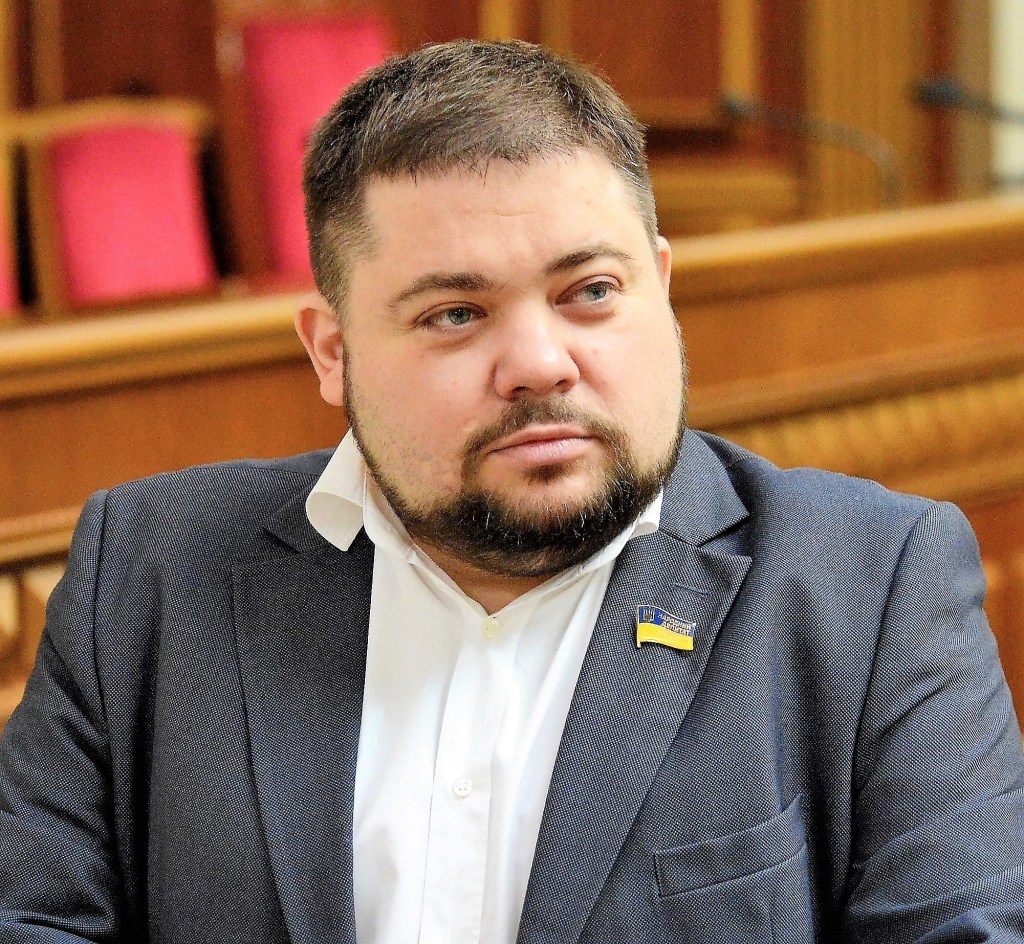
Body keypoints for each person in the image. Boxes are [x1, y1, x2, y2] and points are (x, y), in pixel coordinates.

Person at [2, 39, 1023, 944]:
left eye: (591, 292)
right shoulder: (146, 570)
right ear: (332, 350)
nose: (539, 363)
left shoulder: (867, 587)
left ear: (661, 287)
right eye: (455, 313)